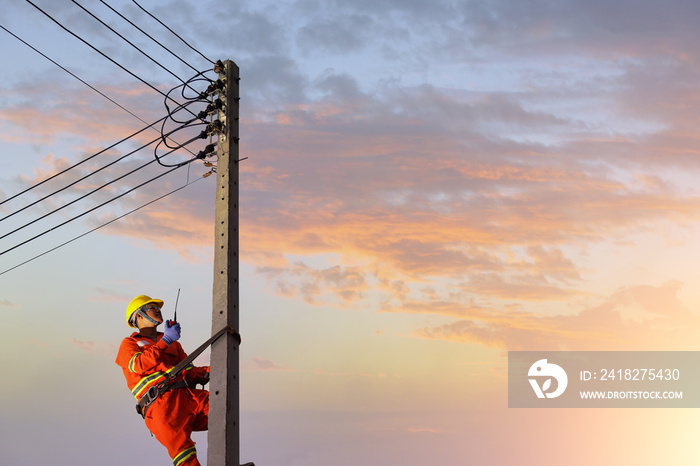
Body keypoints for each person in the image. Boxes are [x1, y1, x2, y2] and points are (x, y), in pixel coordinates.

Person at [115, 295, 210, 466]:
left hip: (187, 396)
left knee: (224, 407)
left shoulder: (173, 344)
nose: (158, 309)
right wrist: (165, 341)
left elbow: (189, 371)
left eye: (158, 307)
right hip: (160, 406)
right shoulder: (129, 343)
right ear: (139, 315)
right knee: (184, 453)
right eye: (152, 307)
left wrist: (217, 368)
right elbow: (138, 364)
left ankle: (225, 458)